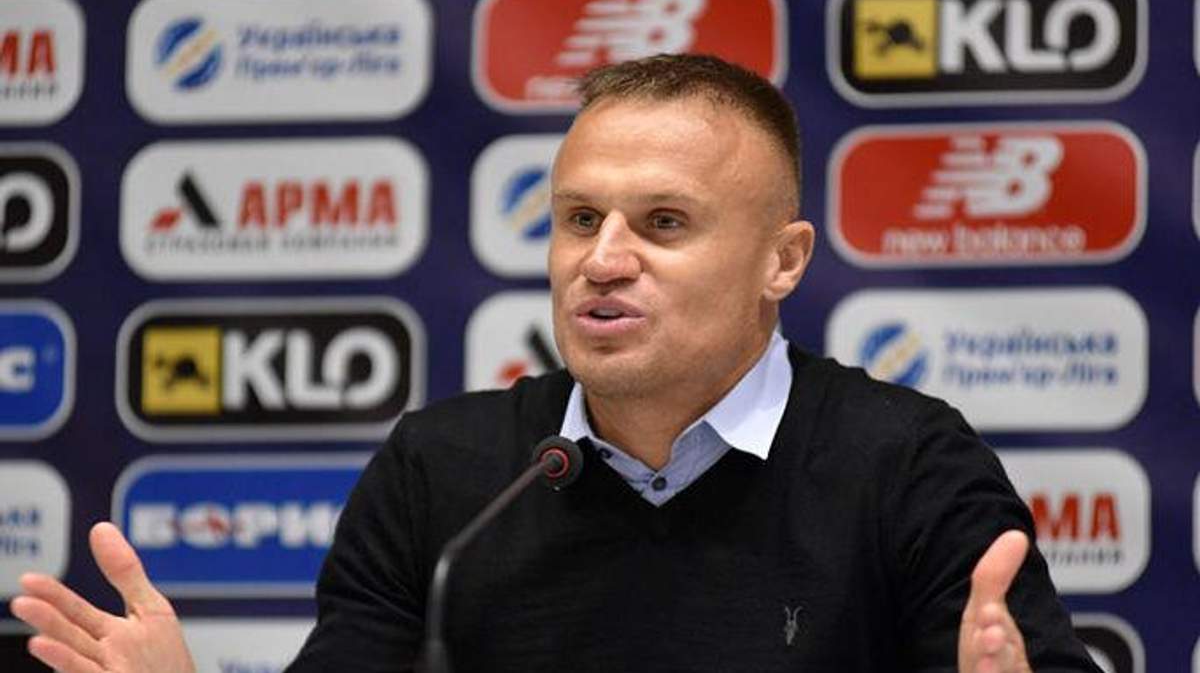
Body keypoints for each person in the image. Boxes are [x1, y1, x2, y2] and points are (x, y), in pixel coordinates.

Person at [11, 54, 1100, 673]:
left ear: (783, 260)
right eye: (580, 218)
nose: (602, 259)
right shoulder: (447, 473)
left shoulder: (906, 464)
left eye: (663, 223)